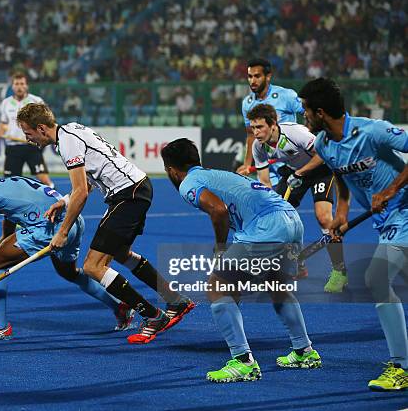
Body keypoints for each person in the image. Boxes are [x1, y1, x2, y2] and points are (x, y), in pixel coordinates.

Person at [16, 103, 194, 345]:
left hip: (128, 194)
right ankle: (175, 299)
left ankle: (152, 315)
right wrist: (64, 202)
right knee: (120, 253)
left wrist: (62, 232)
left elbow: (82, 193)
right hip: (137, 188)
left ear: (40, 128)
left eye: (28, 133)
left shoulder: (67, 143)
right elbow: (86, 183)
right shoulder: (70, 131)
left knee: (92, 266)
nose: (28, 140)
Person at [161, 138, 321, 383]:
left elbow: (218, 210)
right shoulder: (216, 174)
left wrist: (220, 248)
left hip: (267, 227)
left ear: (171, 170)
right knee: (277, 286)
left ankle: (243, 361)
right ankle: (304, 351)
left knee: (218, 286)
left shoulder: (189, 183)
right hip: (291, 219)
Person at [299, 77, 408, 391]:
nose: (304, 117)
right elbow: (340, 173)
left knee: (377, 278)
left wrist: (391, 188)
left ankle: (401, 365)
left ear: (320, 112)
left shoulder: (371, 131)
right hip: (385, 223)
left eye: (306, 111)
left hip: (404, 212)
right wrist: (342, 211)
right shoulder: (322, 144)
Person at [0, 157, 134, 341]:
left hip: (51, 226)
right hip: (73, 221)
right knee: (69, 272)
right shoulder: (8, 183)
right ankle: (119, 306)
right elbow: (8, 229)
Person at [247, 104, 348, 292]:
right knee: (277, 217)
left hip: (321, 170)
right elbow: (265, 181)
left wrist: (300, 173)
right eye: (253, 128)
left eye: (260, 127)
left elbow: (323, 155)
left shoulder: (296, 133)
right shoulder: (258, 146)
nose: (256, 133)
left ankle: (339, 271)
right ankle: (296, 265)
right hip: (293, 173)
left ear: (273, 124)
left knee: (324, 218)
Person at [236, 58, 304, 184]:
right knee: (270, 200)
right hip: (268, 165)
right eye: (250, 77)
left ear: (268, 77)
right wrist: (247, 164)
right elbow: (251, 134)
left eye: (257, 76)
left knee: (286, 201)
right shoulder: (247, 103)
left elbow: (308, 114)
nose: (252, 81)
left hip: (290, 162)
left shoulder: (286, 96)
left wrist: (305, 138)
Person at [0, 72, 53, 187]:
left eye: (22, 83)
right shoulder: (6, 103)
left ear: (26, 86)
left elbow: (48, 120)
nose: (19, 86)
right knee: (10, 183)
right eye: (17, 84)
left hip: (32, 146)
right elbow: (4, 124)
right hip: (13, 148)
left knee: (44, 179)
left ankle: (56, 200)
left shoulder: (36, 100)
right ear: (12, 86)